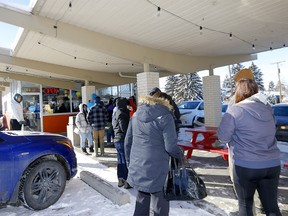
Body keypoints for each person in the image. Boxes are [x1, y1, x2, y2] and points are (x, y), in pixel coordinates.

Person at [217, 78, 282, 216]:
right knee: (272, 208)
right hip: (272, 164)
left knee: (245, 206)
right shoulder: (268, 108)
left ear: (238, 92)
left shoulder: (235, 110)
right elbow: (271, 129)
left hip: (246, 165)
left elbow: (223, 137)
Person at [124, 94, 183, 216]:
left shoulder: (135, 115)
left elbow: (127, 143)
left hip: (138, 166)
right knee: (160, 205)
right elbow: (171, 147)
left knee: (141, 200)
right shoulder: (166, 116)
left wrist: (130, 164)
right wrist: (180, 154)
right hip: (158, 169)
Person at [112, 97, 131, 189]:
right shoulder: (122, 114)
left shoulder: (115, 113)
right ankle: (127, 180)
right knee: (125, 160)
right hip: (123, 139)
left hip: (116, 139)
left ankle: (120, 179)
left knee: (120, 160)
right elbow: (124, 128)